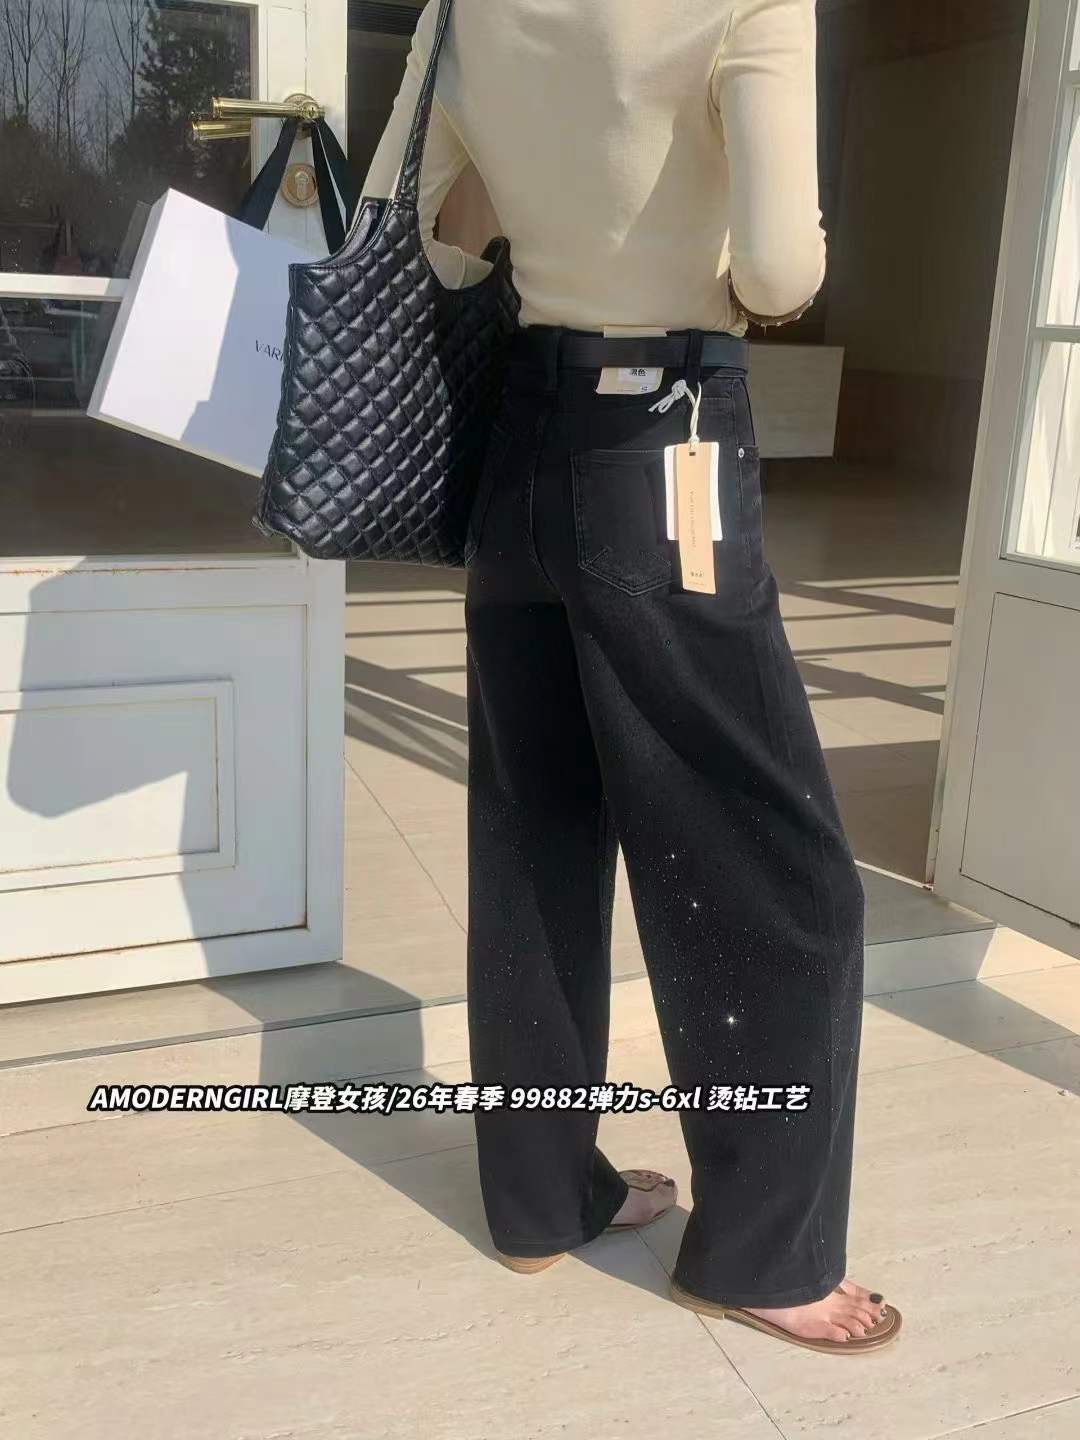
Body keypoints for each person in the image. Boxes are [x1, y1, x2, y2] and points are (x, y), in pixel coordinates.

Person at [360, 0, 902, 1354]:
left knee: (534, 841)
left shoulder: (466, 8)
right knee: (779, 873)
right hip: (668, 438)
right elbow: (778, 267)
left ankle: (542, 1199)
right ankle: (765, 1254)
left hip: (518, 447)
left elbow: (436, 229)